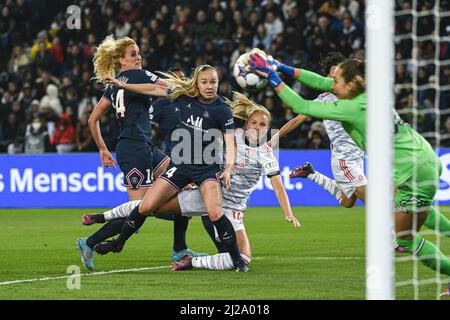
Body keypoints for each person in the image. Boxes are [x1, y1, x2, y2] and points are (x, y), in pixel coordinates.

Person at [247, 51, 450, 276]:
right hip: (425, 157)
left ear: (350, 85)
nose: (331, 85)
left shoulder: (349, 108)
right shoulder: (367, 94)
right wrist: (279, 66)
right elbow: (319, 81)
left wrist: (271, 76)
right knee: (417, 211)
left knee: (405, 239)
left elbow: (300, 105)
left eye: (336, 81)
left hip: (410, 171)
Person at [80, 92, 300, 271]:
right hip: (206, 195)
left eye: (263, 124)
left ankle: (191, 261)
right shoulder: (229, 138)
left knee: (241, 258)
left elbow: (278, 186)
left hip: (232, 210)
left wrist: (288, 212)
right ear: (245, 125)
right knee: (150, 206)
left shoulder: (267, 154)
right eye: (254, 122)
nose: (259, 127)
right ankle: (102, 217)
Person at [94, 64, 249, 272]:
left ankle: (237, 260)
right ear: (197, 82)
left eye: (213, 82)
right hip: (180, 167)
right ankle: (119, 242)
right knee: (145, 206)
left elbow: (231, 144)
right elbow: (153, 89)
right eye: (204, 82)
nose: (209, 86)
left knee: (214, 212)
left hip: (206, 170)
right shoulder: (183, 96)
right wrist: (122, 84)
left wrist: (228, 169)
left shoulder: (222, 110)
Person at [77, 36, 203, 264]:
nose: (139, 57)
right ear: (121, 60)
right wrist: (198, 85)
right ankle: (90, 241)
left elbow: (92, 119)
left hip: (144, 147)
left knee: (183, 184)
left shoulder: (114, 84)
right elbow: (168, 87)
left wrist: (103, 149)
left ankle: (180, 248)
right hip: (134, 150)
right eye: (133, 54)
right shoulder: (139, 75)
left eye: (138, 52)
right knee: (139, 210)